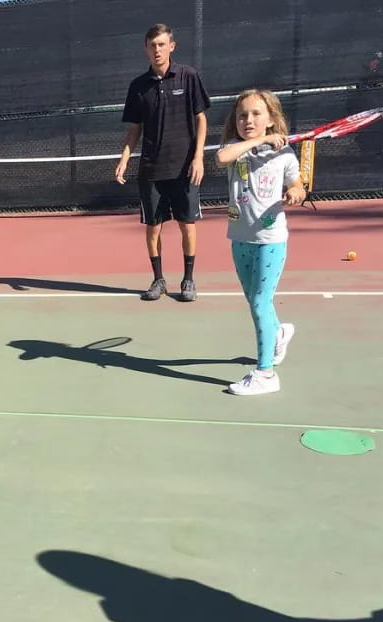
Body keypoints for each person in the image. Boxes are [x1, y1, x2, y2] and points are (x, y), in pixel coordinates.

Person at [215, 89, 305, 396]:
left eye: (256, 114)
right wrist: (262, 140)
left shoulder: (285, 154)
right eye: (242, 115)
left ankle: (266, 374)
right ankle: (278, 334)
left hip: (271, 239)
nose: (248, 120)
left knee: (259, 302)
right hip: (240, 237)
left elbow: (297, 185)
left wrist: (295, 193)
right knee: (254, 300)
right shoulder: (235, 148)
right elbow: (221, 157)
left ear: (271, 119)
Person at [116, 23, 210, 302]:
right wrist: (124, 159)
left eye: (161, 44)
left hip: (184, 168)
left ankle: (188, 280)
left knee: (187, 223)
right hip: (151, 168)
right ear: (146, 49)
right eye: (152, 45)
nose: (157, 50)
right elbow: (135, 129)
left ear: (172, 46)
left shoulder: (188, 76)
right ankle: (158, 280)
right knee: (153, 227)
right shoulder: (138, 87)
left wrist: (198, 157)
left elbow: (201, 119)